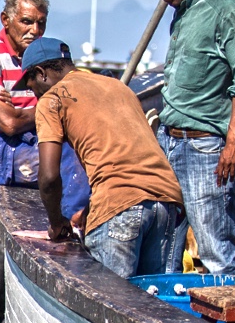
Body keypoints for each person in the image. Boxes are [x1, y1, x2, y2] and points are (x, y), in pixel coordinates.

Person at [17, 37, 184, 278]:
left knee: (112, 299)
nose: (34, 94)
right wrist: (89, 210)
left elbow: (49, 177)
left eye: (31, 85)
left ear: (42, 73)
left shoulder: (52, 100)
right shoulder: (117, 87)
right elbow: (125, 159)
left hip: (120, 207)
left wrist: (57, 223)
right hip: (166, 201)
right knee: (152, 298)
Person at [149, 0, 235, 276]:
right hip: (170, 141)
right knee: (164, 245)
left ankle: (229, 311)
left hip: (204, 147)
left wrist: (233, 142)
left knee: (217, 250)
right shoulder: (182, 13)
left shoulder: (225, 11)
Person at [0, 0, 89, 221]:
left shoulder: (41, 58)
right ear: (5, 20)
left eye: (41, 23)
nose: (35, 30)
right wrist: (54, 105)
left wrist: (27, 111)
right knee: (68, 155)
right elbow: (9, 123)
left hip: (33, 135)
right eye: (27, 22)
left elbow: (62, 102)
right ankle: (75, 219)